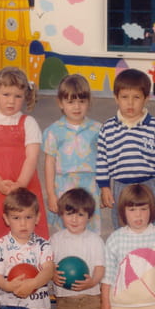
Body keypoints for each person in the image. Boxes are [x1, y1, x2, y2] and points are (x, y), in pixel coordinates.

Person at [0, 66, 49, 241]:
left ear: (25, 96)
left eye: (18, 96)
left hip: (24, 185)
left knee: (24, 224)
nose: (11, 101)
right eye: (6, 94)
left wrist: (21, 184)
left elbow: (32, 157)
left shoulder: (29, 123)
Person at [97, 68, 155, 230]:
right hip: (121, 188)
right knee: (122, 229)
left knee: (151, 228)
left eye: (136, 97)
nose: (130, 103)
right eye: (124, 97)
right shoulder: (108, 128)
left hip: (149, 187)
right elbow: (102, 160)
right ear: (116, 98)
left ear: (146, 98)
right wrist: (105, 187)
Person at [42, 74, 102, 234]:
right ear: (60, 103)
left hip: (90, 186)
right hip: (64, 186)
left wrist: (104, 189)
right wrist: (51, 194)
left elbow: (104, 161)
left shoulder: (98, 129)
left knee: (90, 230)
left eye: (81, 101)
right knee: (66, 229)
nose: (77, 107)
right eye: (70, 102)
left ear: (89, 102)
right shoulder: (54, 131)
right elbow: (49, 163)